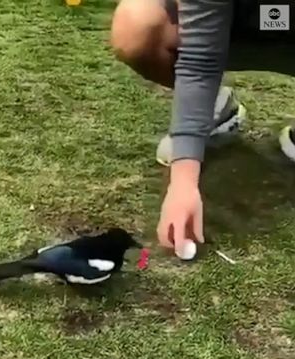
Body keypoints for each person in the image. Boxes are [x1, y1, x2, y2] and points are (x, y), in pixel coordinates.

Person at [110, 0, 295, 257]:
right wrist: (183, 181)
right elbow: (199, 61)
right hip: (240, 23)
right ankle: (212, 110)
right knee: (138, 24)